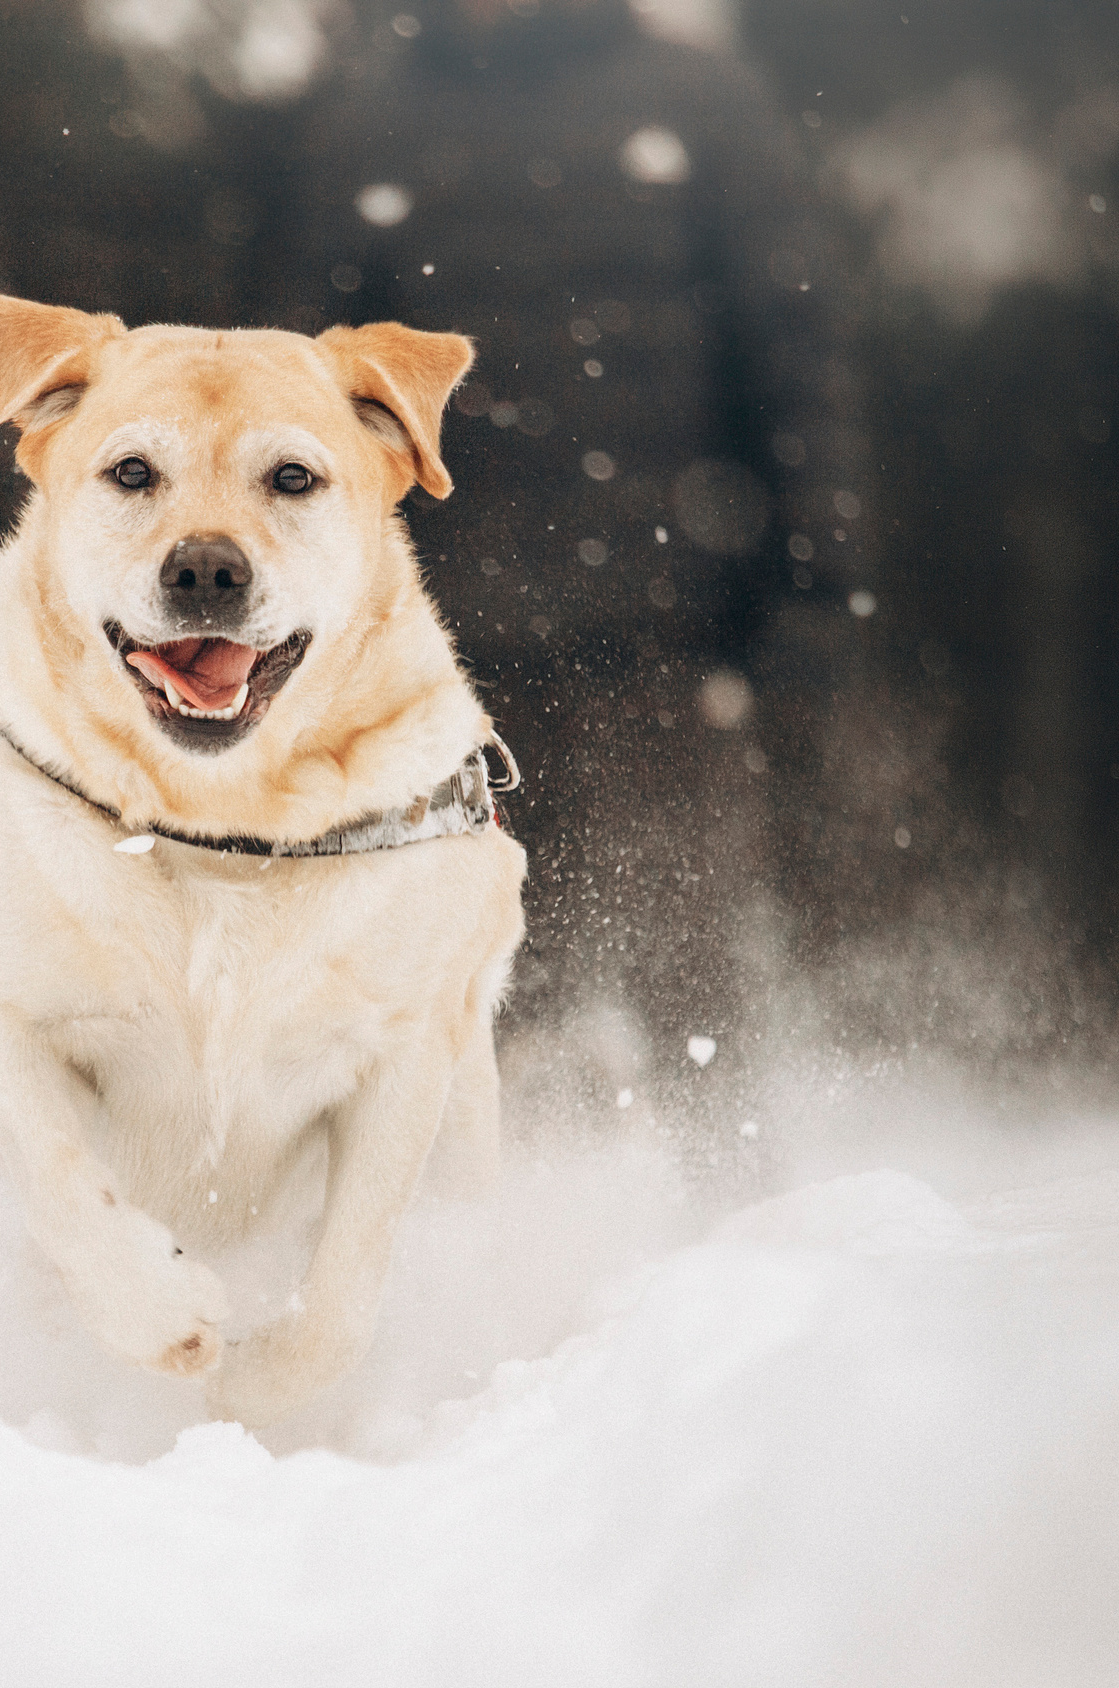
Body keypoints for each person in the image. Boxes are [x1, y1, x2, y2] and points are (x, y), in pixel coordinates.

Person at [269, 0, 872, 1161]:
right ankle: (492, 1241)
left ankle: (734, 1225)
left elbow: (796, 365)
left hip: (667, 637)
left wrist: (814, 588)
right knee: (462, 1001)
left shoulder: (700, 102)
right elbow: (293, 402)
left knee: (693, 997)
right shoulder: (367, 119)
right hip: (441, 658)